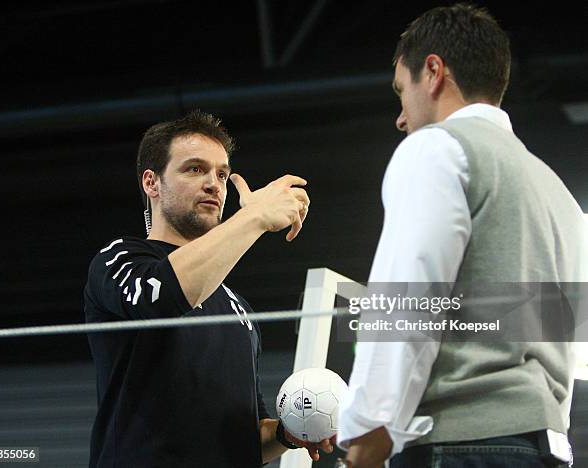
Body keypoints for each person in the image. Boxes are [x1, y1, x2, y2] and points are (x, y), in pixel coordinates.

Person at [337, 4, 585, 468]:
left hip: (460, 443)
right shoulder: (556, 190)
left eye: (400, 92)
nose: (400, 118)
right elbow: (571, 342)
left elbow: (408, 299)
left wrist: (368, 437)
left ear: (433, 72)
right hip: (544, 448)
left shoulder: (436, 150)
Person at [84, 110, 333, 467]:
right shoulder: (119, 259)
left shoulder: (239, 309)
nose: (214, 184)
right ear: (151, 183)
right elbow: (162, 297)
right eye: (195, 169)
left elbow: (247, 435)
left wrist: (284, 434)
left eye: (222, 174)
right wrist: (255, 218)